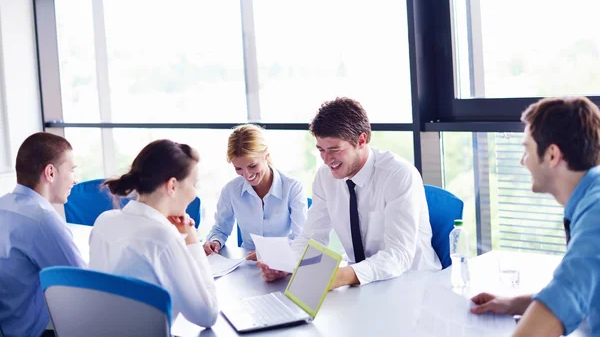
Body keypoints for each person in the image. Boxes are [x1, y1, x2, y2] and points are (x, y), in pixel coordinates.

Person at [258, 97, 441, 289]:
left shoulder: (398, 175)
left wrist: (344, 275)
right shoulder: (325, 177)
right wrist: (287, 265)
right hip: (362, 283)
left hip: (413, 282)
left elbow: (399, 254)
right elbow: (312, 237)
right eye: (321, 150)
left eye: (334, 150)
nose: (327, 160)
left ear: (361, 140)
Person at [470, 96, 600, 336]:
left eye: (527, 149)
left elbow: (567, 295)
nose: (523, 161)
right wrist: (511, 304)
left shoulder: (596, 213)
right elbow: (583, 290)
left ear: (552, 155)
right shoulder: (590, 198)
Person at [88, 139, 218, 328]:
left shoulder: (104, 221)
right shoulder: (162, 237)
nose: (194, 194)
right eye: (194, 184)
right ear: (172, 186)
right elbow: (207, 315)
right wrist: (192, 240)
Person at [0, 132, 86, 337]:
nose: (75, 180)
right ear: (50, 172)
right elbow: (84, 289)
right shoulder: (42, 220)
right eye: (72, 170)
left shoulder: (4, 204)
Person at [203, 124, 307, 260]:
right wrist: (214, 242)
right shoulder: (231, 190)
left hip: (283, 262)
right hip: (248, 265)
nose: (246, 174)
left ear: (266, 156)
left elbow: (301, 238)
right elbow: (220, 229)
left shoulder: (293, 187)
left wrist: (268, 253)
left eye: (252, 166)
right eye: (238, 168)